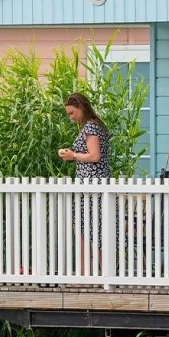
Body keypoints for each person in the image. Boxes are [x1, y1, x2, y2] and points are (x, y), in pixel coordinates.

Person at [58, 92, 111, 273]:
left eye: (72, 113)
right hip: (92, 184)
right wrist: (73, 153)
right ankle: (94, 272)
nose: (71, 118)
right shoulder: (96, 125)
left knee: (84, 227)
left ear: (81, 107)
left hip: (91, 185)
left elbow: (95, 156)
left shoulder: (91, 127)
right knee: (91, 227)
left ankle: (85, 273)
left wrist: (73, 155)